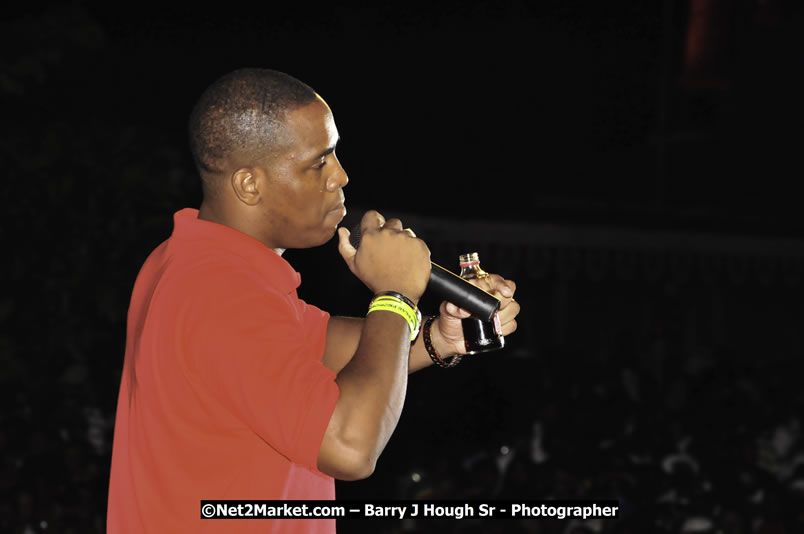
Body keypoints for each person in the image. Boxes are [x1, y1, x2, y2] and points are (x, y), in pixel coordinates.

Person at [106, 67, 520, 533]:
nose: (340, 176)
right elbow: (349, 447)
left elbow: (326, 351)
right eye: (318, 162)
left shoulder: (200, 262)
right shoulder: (217, 290)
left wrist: (440, 337)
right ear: (250, 184)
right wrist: (397, 292)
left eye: (335, 154)